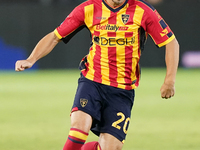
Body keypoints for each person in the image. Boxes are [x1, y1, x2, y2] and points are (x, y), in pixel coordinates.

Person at [15, 0, 179, 150]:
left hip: (122, 91)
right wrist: (31, 59)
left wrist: (169, 81)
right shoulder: (88, 8)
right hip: (92, 82)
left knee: (110, 148)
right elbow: (55, 36)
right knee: (78, 130)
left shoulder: (143, 10)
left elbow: (171, 42)